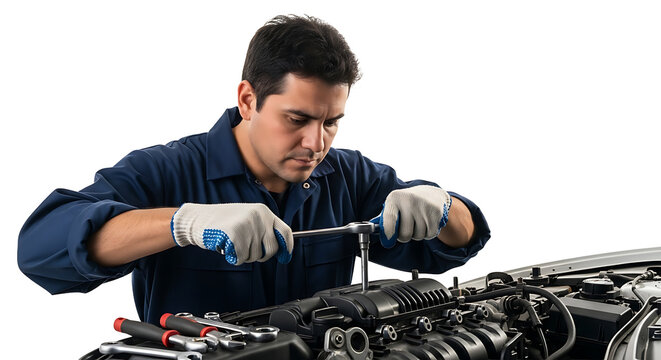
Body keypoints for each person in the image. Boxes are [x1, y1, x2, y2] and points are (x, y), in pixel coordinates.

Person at [17, 15, 490, 325]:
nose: (316, 142)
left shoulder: (349, 177)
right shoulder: (167, 171)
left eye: (331, 122)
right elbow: (40, 250)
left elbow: (458, 243)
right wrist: (182, 224)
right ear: (248, 100)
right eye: (298, 119)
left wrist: (444, 206)